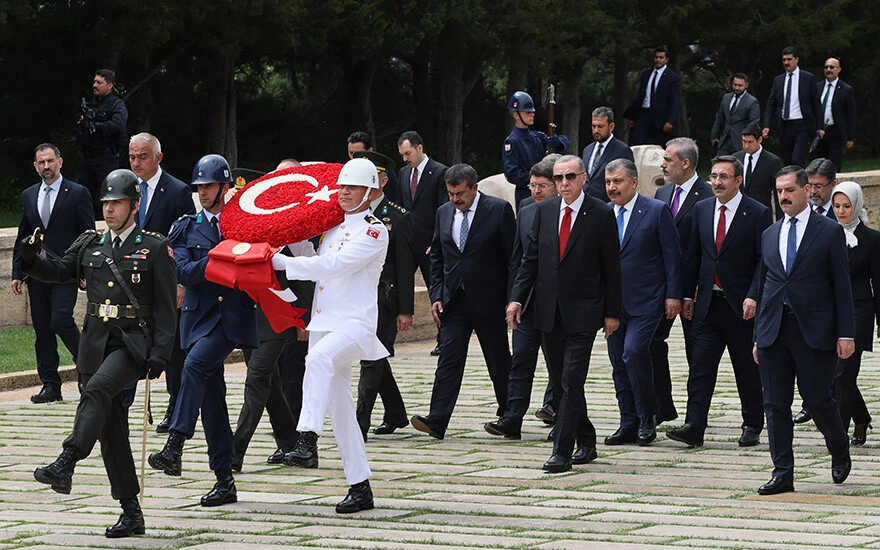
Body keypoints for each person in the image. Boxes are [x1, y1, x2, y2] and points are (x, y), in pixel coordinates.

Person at [27, 169, 176, 538]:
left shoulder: (153, 247)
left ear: (134, 205)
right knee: (112, 431)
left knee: (96, 392)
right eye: (106, 203)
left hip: (131, 344)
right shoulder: (91, 243)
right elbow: (60, 271)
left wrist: (160, 353)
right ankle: (132, 513)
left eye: (117, 203)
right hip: (94, 344)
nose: (109, 210)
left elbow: (166, 307)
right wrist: (32, 258)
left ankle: (67, 460)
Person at [272, 157, 389, 514]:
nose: (345, 193)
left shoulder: (374, 230)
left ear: (371, 192)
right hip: (326, 322)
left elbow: (333, 266)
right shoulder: (335, 227)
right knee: (341, 410)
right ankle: (360, 486)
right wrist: (288, 241)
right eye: (342, 187)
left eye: (353, 188)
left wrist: (282, 264)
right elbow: (317, 257)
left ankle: (306, 436)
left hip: (354, 324)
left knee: (318, 359)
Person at [148, 154, 259, 507]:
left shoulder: (242, 223)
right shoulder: (185, 227)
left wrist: (218, 263)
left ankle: (176, 442)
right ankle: (224, 478)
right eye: (200, 187)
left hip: (230, 318)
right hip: (198, 317)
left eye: (210, 185)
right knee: (212, 401)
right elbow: (183, 271)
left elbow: (254, 264)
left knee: (194, 366)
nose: (204, 192)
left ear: (225, 186)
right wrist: (221, 261)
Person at [507, 155, 622, 472]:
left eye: (570, 177)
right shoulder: (542, 212)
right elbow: (530, 261)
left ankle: (562, 450)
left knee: (572, 380)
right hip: (547, 310)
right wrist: (516, 299)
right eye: (558, 178)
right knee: (561, 383)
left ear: (584, 178)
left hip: (584, 312)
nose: (564, 183)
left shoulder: (600, 213)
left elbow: (612, 267)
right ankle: (586, 437)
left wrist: (613, 312)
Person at [753, 165, 854, 495]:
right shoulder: (770, 234)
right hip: (773, 330)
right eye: (779, 191)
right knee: (774, 403)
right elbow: (767, 285)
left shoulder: (827, 231)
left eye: (789, 190)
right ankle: (782, 471)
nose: (783, 196)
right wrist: (758, 335)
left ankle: (839, 449)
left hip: (814, 329)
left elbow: (842, 285)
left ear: (805, 191)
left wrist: (846, 333)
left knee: (818, 399)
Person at [670, 155, 772, 448]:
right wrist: (687, 293)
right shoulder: (701, 210)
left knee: (746, 368)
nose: (717, 182)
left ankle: (752, 423)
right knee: (700, 367)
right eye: (713, 176)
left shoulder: (757, 213)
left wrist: (754, 294)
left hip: (741, 305)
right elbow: (694, 256)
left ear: (738, 180)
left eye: (723, 176)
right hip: (708, 305)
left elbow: (763, 261)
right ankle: (694, 425)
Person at [411, 163, 515, 439]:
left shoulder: (498, 210)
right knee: (449, 358)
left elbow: (512, 259)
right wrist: (436, 294)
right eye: (450, 193)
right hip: (454, 299)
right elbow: (438, 257)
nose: (455, 199)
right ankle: (438, 419)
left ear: (474, 188)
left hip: (489, 299)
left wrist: (511, 299)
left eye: (460, 193)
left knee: (498, 359)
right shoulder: (444, 213)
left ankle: (509, 413)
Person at [604, 158, 682, 447]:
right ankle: (628, 421)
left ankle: (648, 415)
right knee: (617, 362)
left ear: (634, 182)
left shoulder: (656, 211)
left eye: (618, 181)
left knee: (634, 353)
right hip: (612, 305)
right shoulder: (603, 214)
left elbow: (672, 256)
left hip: (648, 300)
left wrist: (674, 294)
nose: (612, 187)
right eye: (609, 182)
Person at [124, 132, 196, 428]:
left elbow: (187, 240)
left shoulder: (177, 191)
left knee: (173, 348)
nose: (136, 163)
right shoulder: (126, 187)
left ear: (158, 157)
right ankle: (123, 405)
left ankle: (175, 407)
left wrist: (181, 283)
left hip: (165, 280)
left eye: (142, 157)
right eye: (132, 157)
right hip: (130, 282)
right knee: (128, 343)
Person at [12, 143, 94, 404]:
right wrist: (17, 271)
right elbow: (22, 235)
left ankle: (88, 370)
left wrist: (86, 271)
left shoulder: (78, 193)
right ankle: (50, 384)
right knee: (42, 330)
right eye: (41, 162)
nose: (46, 166)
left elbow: (88, 235)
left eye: (50, 161)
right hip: (37, 273)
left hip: (66, 271)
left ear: (60, 162)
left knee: (60, 320)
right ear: (35, 166)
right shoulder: (28, 195)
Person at [484, 156, 558, 440]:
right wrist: (513, 298)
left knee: (558, 365)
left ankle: (562, 418)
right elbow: (517, 260)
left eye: (542, 186)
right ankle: (512, 418)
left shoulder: (567, 213)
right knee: (521, 360)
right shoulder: (525, 210)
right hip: (527, 302)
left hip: (558, 304)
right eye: (532, 185)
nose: (536, 191)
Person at [233, 238, 314, 470]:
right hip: (249, 318)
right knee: (270, 382)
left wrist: (303, 319)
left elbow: (305, 273)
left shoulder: (291, 234)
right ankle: (289, 440)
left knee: (257, 378)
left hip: (281, 317)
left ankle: (235, 450)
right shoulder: (242, 229)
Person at [352, 150, 414, 440]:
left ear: (384, 180)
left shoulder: (397, 217)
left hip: (383, 297)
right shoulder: (350, 213)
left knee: (370, 356)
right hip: (354, 294)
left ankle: (358, 424)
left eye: (372, 177)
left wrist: (406, 308)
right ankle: (396, 412)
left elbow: (404, 267)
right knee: (375, 354)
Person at [650, 138, 712, 423]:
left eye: (668, 159)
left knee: (695, 354)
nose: (662, 164)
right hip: (662, 287)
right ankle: (662, 405)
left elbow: (708, 248)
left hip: (694, 290)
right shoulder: (662, 195)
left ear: (685, 163)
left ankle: (694, 418)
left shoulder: (708, 195)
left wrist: (694, 288)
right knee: (650, 344)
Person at [829, 182, 879, 447]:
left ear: (856, 205)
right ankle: (861, 417)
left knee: (845, 371)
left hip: (860, 309)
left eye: (846, 206)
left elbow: (878, 282)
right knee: (835, 373)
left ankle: (838, 435)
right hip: (832, 310)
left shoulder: (872, 238)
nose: (841, 211)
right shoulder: (826, 232)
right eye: (836, 206)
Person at [397, 131, 448, 356]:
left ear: (419, 148)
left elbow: (443, 210)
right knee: (398, 287)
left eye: (408, 153)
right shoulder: (402, 173)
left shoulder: (439, 172)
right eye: (402, 155)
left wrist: (437, 241)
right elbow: (401, 207)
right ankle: (388, 340)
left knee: (436, 290)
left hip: (429, 244)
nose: (405, 158)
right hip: (407, 242)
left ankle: (443, 338)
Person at [503, 91, 571, 209]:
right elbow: (512, 173)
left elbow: (565, 140)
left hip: (548, 194)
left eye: (532, 112)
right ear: (516, 115)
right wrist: (537, 182)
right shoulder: (512, 141)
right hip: (527, 193)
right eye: (528, 112)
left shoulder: (536, 136)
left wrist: (558, 142)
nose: (532, 114)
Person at [75, 69, 128, 219]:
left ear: (110, 85)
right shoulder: (90, 104)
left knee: (104, 198)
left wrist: (96, 125)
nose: (95, 85)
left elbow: (117, 125)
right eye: (94, 82)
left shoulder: (117, 105)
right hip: (88, 158)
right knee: (83, 196)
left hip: (106, 159)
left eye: (99, 82)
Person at [763, 46, 823, 167]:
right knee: (787, 160)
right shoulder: (778, 80)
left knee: (798, 160)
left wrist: (820, 127)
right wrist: (766, 125)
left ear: (796, 59)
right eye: (784, 60)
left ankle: (800, 184)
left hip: (802, 124)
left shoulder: (808, 78)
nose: (786, 62)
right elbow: (771, 103)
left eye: (789, 59)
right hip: (785, 125)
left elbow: (816, 103)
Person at [624, 47, 681, 146]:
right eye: (656, 57)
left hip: (660, 117)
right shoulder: (646, 74)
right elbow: (640, 95)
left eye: (661, 57)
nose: (658, 60)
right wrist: (633, 116)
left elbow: (674, 100)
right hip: (644, 113)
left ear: (666, 60)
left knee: (658, 146)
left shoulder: (672, 77)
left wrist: (670, 121)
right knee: (638, 143)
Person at [581, 107, 634, 202]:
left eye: (600, 126)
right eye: (593, 126)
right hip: (586, 205)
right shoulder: (587, 150)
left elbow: (628, 181)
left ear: (611, 126)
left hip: (609, 205)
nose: (596, 130)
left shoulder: (622, 150)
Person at [734, 122, 784, 219]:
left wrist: (780, 221)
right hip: (738, 214)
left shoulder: (773, 162)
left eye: (750, 142)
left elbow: (778, 192)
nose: (746, 146)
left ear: (760, 139)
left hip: (761, 215)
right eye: (744, 141)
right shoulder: (736, 158)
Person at [815, 57, 856, 171]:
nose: (829, 69)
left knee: (834, 165)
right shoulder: (817, 87)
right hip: (820, 132)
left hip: (836, 131)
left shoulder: (846, 89)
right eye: (826, 67)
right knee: (820, 166)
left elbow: (851, 115)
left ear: (839, 69)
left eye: (832, 67)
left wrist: (850, 137)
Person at [710, 73, 761, 156]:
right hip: (724, 140)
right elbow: (719, 117)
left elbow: (753, 123)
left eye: (740, 85)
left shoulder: (752, 101)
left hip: (740, 141)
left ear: (746, 85)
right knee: (720, 164)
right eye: (735, 85)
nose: (737, 88)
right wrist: (714, 136)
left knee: (738, 166)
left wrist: (747, 141)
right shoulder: (726, 98)